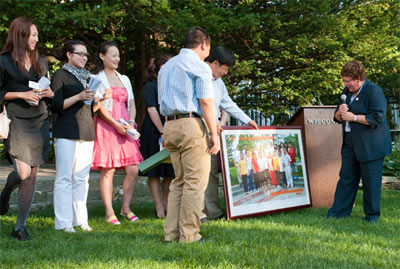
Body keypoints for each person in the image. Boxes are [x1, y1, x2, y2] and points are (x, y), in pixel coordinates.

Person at [158, 26, 219, 243]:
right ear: (203, 44)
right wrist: (214, 133)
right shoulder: (199, 67)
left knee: (179, 182)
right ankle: (190, 235)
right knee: (195, 182)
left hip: (170, 126)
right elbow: (206, 102)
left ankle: (171, 234)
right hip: (191, 124)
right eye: (207, 49)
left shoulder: (166, 66)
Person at [0, 17, 54, 241]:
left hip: (38, 119)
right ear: (20, 35)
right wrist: (22, 94)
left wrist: (48, 93)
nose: (36, 39)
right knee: (22, 172)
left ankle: (19, 227)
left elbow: (47, 87)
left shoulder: (40, 60)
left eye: (37, 35)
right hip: (16, 120)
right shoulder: (3, 61)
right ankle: (5, 195)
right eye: (33, 34)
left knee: (32, 175)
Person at [51, 40, 109, 232]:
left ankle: (80, 220)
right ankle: (63, 223)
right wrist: (78, 97)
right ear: (69, 55)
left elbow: (91, 109)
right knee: (64, 177)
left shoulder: (88, 77)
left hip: (85, 129)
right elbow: (56, 105)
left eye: (86, 55)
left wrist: (100, 100)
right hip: (66, 130)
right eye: (80, 54)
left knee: (82, 178)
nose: (84, 58)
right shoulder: (60, 75)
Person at [327, 60, 392, 222]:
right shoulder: (347, 92)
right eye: (344, 81)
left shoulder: (374, 91)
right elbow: (336, 117)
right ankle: (338, 213)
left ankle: (372, 216)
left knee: (371, 182)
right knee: (346, 178)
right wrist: (340, 113)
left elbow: (377, 117)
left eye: (348, 81)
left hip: (371, 145)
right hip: (350, 142)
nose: (345, 84)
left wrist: (354, 117)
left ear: (358, 78)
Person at [201, 46, 258, 221]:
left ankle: (212, 211)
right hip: (198, 125)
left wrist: (247, 120)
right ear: (215, 63)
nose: (226, 73)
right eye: (225, 68)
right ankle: (198, 213)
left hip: (213, 127)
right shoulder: (199, 75)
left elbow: (228, 103)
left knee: (210, 171)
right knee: (198, 172)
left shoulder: (218, 82)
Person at [91, 41, 143, 225]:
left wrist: (130, 122)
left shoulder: (125, 78)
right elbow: (98, 107)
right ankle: (109, 212)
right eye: (113, 55)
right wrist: (115, 124)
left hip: (125, 127)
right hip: (107, 126)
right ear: (102, 56)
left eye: (118, 55)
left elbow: (132, 104)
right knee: (109, 170)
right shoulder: (96, 78)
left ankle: (125, 208)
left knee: (133, 169)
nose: (117, 59)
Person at [140, 55, 174, 219]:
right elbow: (152, 110)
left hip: (169, 130)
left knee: (169, 170)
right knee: (153, 171)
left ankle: (165, 201)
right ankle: (158, 206)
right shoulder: (150, 86)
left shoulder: (170, 87)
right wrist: (162, 131)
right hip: (153, 131)